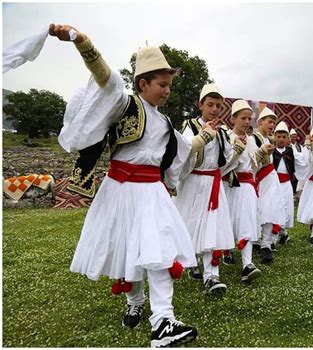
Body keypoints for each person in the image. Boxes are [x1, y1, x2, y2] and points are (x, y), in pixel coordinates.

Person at [48, 24, 198, 347]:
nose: (168, 90)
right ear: (143, 84)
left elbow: (177, 155)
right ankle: (134, 303)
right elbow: (106, 79)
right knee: (128, 252)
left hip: (153, 192)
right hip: (121, 190)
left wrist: (201, 141)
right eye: (162, 84)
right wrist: (82, 43)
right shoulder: (125, 105)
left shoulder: (166, 122)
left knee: (158, 252)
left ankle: (163, 321)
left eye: (170, 84)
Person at [174, 84, 243, 295]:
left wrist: (237, 153)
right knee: (190, 224)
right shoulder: (191, 126)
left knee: (212, 226)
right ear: (200, 105)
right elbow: (183, 151)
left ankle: (212, 275)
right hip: (193, 183)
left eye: (218, 106)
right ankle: (189, 262)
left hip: (213, 184)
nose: (214, 109)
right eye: (210, 104)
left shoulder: (222, 133)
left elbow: (224, 164)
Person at [222, 99, 262, 284]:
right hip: (230, 186)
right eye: (243, 118)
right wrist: (237, 151)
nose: (247, 122)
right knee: (228, 221)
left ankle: (248, 265)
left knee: (247, 222)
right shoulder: (226, 137)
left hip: (247, 187)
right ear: (233, 118)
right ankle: (226, 251)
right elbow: (222, 165)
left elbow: (254, 165)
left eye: (249, 118)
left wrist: (262, 154)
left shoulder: (252, 140)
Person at [247, 107, 284, 264]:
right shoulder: (252, 139)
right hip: (259, 180)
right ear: (260, 122)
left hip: (270, 179)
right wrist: (262, 153)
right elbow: (250, 163)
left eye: (273, 123)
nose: (272, 125)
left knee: (270, 210)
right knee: (257, 211)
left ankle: (266, 244)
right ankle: (255, 241)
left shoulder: (268, 139)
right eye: (269, 122)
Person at [273, 121, 295, 244]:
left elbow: (293, 167)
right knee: (275, 207)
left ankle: (283, 232)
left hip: (286, 184)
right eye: (279, 137)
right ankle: (274, 235)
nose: (281, 139)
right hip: (274, 184)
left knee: (286, 207)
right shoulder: (272, 151)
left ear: (287, 138)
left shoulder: (290, 152)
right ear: (275, 137)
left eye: (284, 137)